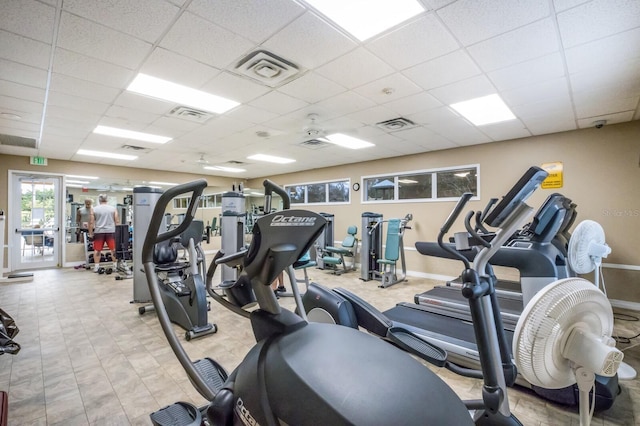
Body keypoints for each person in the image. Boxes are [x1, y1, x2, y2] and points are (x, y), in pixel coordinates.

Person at [89, 194, 119, 273]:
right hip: (111, 231)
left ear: (99, 200)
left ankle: (96, 267)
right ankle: (115, 266)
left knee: (97, 250)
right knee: (113, 250)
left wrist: (90, 233)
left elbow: (91, 222)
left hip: (99, 231)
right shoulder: (113, 209)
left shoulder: (94, 209)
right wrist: (118, 233)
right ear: (107, 200)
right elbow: (117, 221)